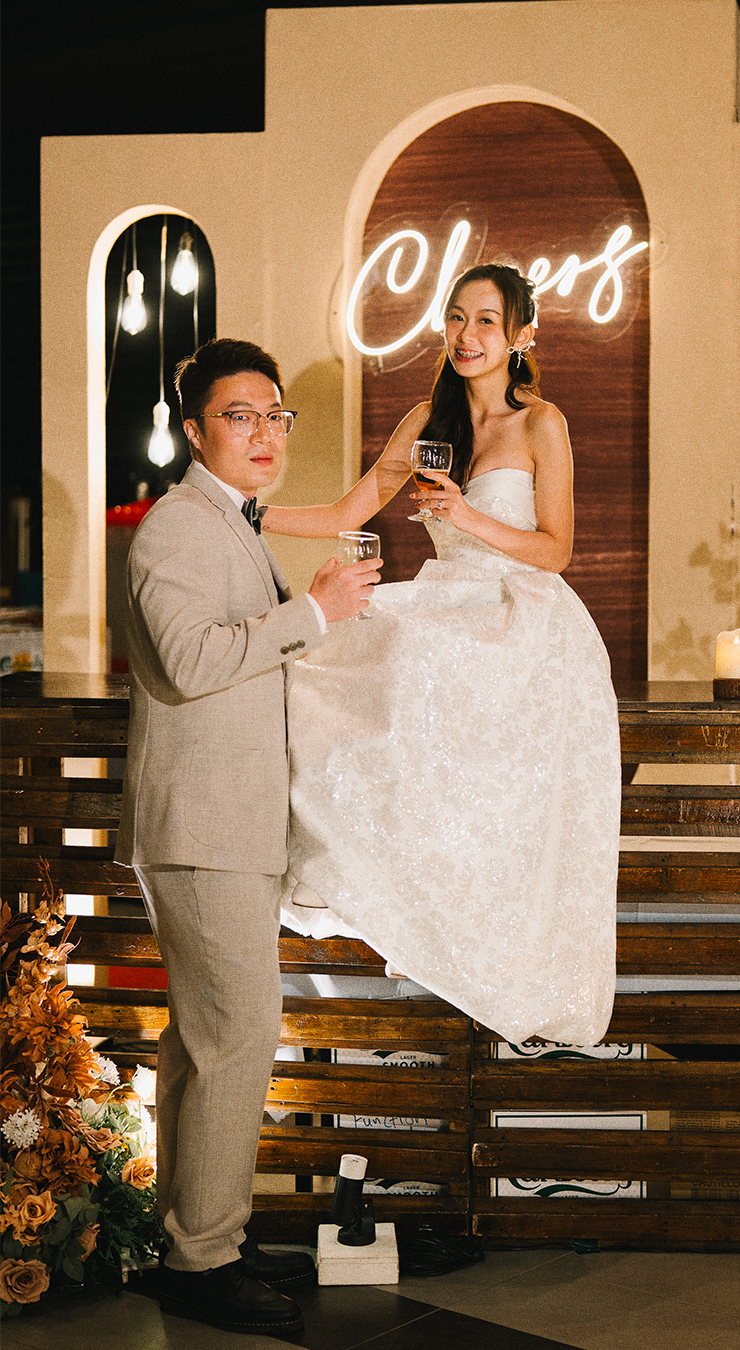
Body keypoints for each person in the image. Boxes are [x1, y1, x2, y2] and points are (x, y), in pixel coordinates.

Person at [264, 263, 620, 1045]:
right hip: (446, 599)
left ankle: (448, 922)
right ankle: (340, 872)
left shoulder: (542, 423)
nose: (467, 334)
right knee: (333, 659)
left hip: (521, 612)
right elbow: (350, 508)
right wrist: (248, 513)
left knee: (414, 661)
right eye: (457, 317)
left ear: (522, 334)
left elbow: (556, 550)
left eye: (486, 320)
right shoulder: (430, 419)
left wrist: (466, 515)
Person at [116, 338, 381, 1335]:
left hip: (227, 821)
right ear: (195, 431)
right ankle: (203, 1260)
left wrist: (325, 622)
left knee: (203, 1044)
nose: (265, 432)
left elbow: (245, 659)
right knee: (237, 1037)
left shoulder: (229, 521)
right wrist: (313, 609)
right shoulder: (178, 526)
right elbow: (191, 662)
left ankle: (193, 1235)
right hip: (202, 823)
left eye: (276, 415)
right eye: (241, 415)